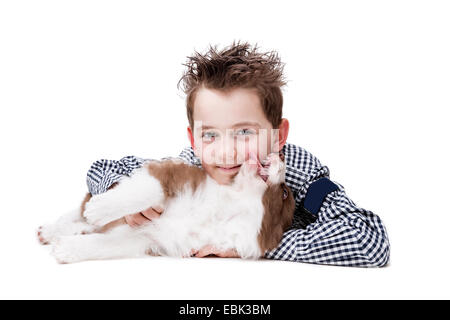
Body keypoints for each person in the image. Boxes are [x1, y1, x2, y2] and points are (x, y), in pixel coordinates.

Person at [86, 41, 390, 266]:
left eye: (245, 132)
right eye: (210, 134)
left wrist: (253, 243)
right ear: (194, 139)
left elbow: (369, 239)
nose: (226, 152)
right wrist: (120, 196)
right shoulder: (195, 165)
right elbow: (103, 168)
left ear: (278, 136)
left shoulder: (302, 175)